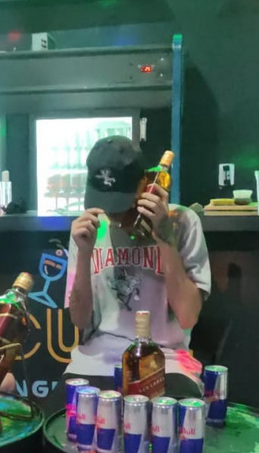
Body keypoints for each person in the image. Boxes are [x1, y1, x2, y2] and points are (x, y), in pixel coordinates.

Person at [54, 135, 211, 409]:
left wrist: (165, 239)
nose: (114, 216)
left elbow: (188, 316)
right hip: (97, 359)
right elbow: (79, 320)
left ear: (146, 184)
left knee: (171, 426)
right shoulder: (90, 228)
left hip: (166, 361)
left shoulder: (183, 222)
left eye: (122, 203)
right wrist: (85, 254)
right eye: (106, 203)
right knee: (59, 425)